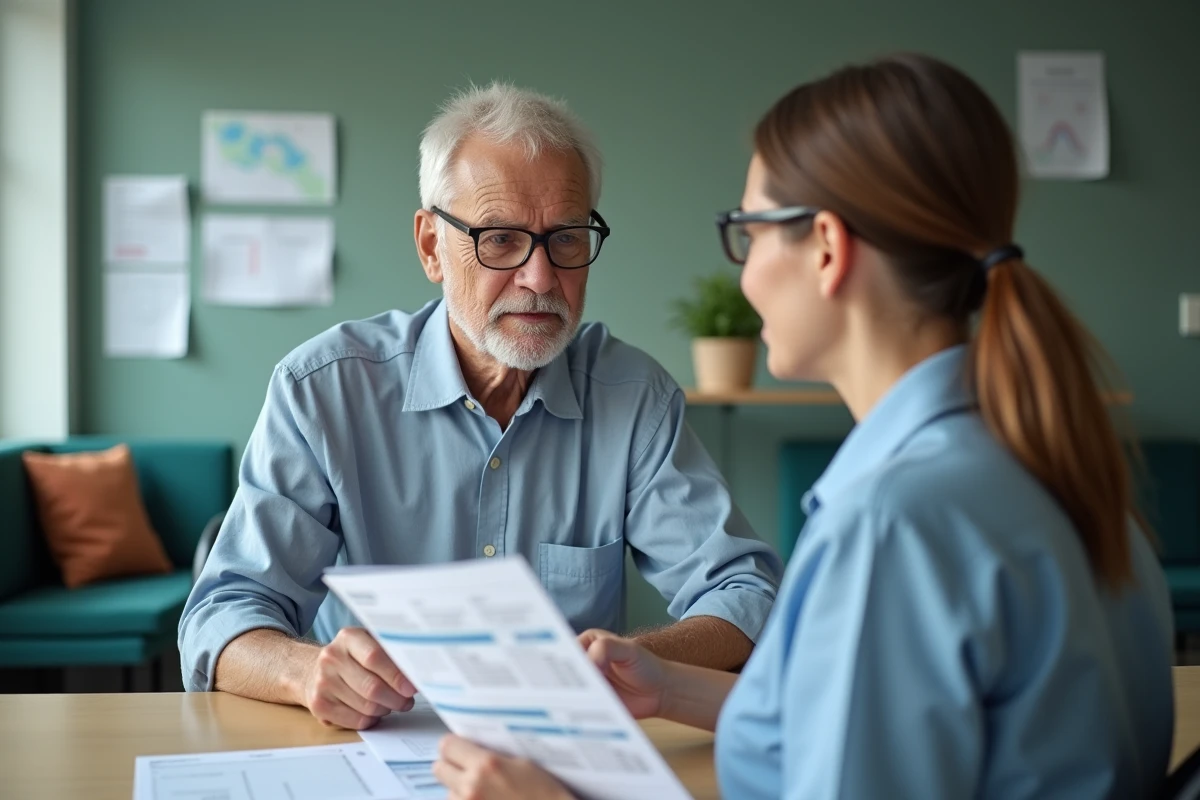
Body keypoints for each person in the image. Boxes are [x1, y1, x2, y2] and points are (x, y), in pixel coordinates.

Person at [430, 55, 1175, 799]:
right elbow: (880, 727)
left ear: (825, 247)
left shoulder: (892, 524)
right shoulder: (1056, 462)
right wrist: (670, 687)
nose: (745, 275)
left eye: (749, 233)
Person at [178, 83, 784, 730]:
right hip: (367, 750)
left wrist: (634, 664)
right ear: (431, 246)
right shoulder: (323, 390)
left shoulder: (633, 398)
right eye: (499, 240)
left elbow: (747, 595)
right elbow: (222, 617)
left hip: (557, 761)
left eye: (568, 239)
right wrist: (306, 671)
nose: (540, 277)